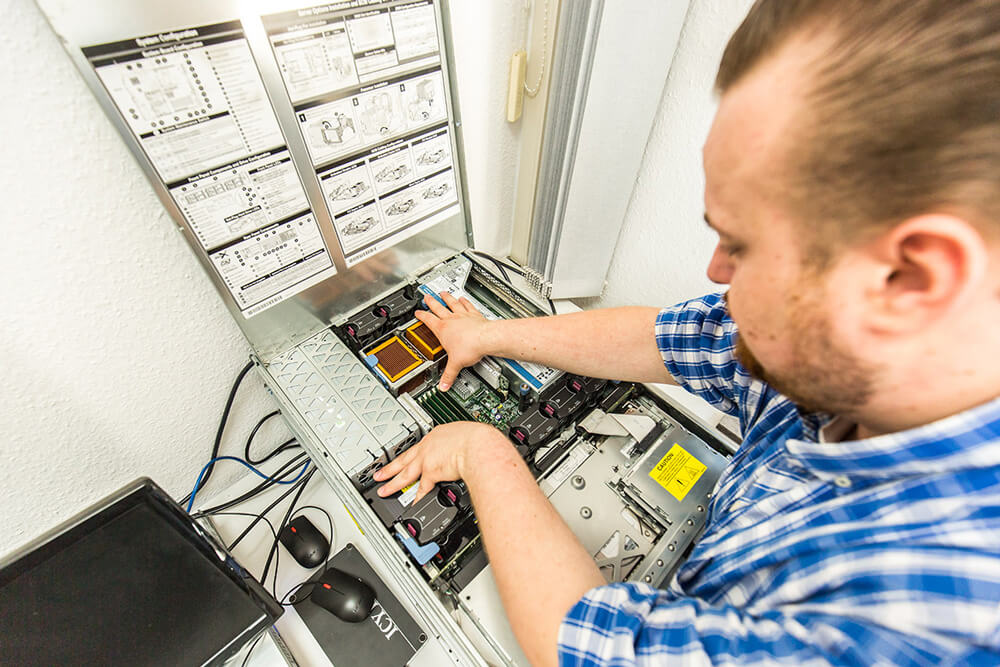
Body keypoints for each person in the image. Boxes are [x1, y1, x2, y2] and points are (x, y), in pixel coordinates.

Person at [375, 0, 1000, 664]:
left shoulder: (926, 622)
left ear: (912, 277)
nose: (714, 270)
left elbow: (593, 650)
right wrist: (492, 335)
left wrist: (484, 453)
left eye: (739, 243)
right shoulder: (870, 355)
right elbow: (664, 338)